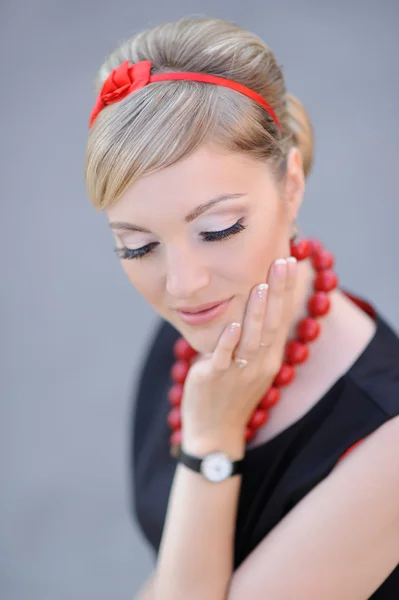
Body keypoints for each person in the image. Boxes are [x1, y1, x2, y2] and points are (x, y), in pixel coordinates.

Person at [84, 16, 399, 599]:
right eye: (139, 245)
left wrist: (212, 442)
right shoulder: (193, 333)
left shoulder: (388, 444)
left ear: (291, 185)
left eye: (219, 228)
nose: (182, 285)